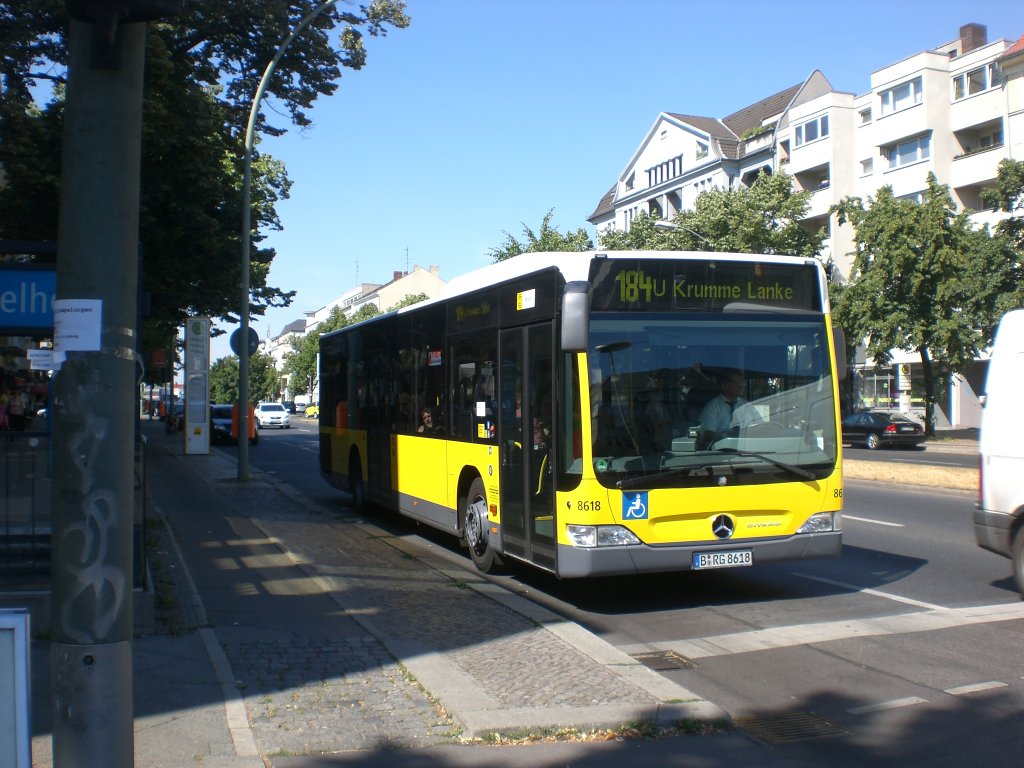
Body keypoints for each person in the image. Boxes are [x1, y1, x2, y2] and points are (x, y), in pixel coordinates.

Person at [699, 370, 747, 436]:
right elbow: (708, 434)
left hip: (746, 444)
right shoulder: (712, 407)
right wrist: (728, 440)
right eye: (736, 382)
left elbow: (760, 427)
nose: (740, 386)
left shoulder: (747, 406)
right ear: (724, 385)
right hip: (723, 445)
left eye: (742, 382)